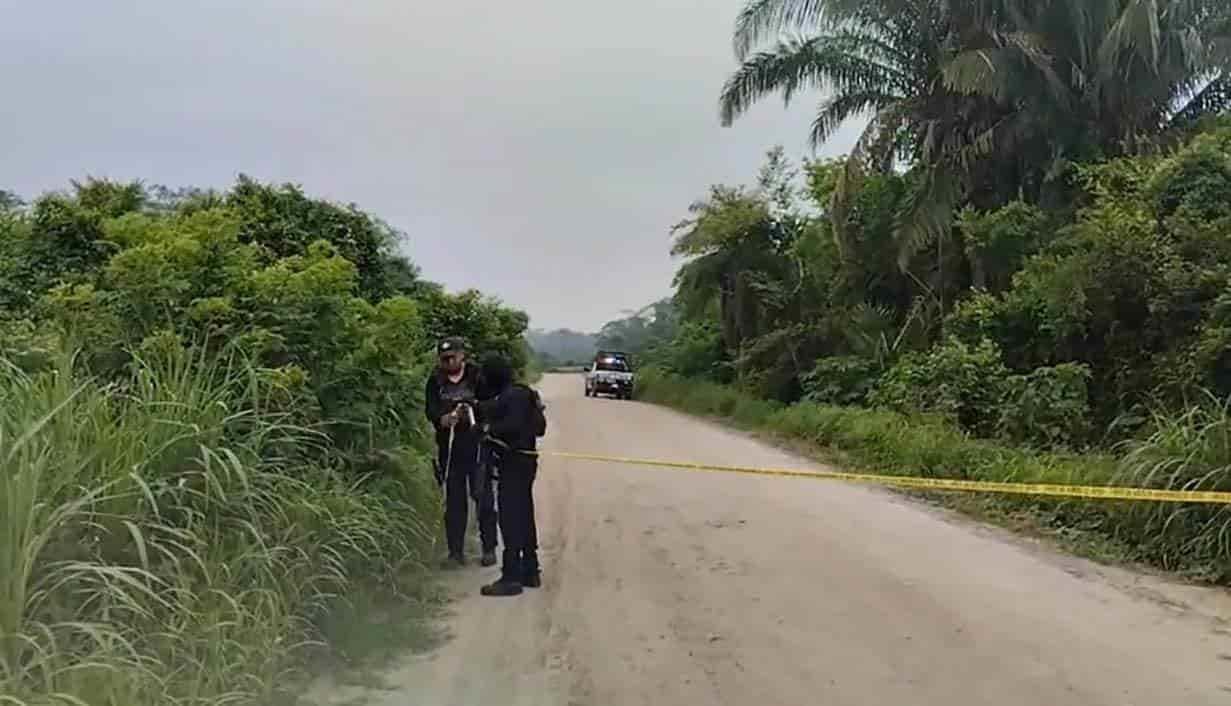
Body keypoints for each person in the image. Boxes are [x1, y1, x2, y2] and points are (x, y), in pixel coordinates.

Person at [475, 355, 548, 596]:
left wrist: (488, 429)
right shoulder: (523, 393)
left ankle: (511, 577)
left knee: (510, 517)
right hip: (526, 461)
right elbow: (539, 427)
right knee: (524, 513)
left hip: (514, 462)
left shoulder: (512, 396)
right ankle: (530, 570)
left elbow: (512, 425)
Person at [424, 337, 498, 568]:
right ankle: (455, 552)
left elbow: (493, 405)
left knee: (483, 498)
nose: (448, 362)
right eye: (443, 359)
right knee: (454, 502)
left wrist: (473, 409)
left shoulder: (478, 376)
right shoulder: (435, 380)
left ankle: (489, 548)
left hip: (477, 446)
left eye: (452, 357)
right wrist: (442, 419)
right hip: (450, 448)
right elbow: (431, 409)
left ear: (462, 355)